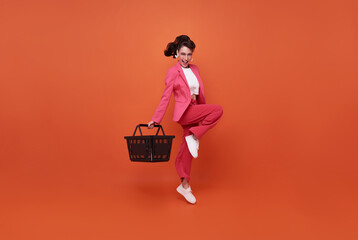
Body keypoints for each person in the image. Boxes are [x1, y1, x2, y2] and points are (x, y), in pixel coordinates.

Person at [147, 35, 223, 204]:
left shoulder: (195, 69)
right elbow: (166, 97)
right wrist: (156, 119)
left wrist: (201, 109)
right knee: (218, 110)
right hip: (185, 111)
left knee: (186, 151)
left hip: (195, 108)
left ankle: (184, 185)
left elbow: (199, 91)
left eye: (189, 54)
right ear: (176, 54)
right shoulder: (173, 72)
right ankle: (195, 135)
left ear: (192, 55)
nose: (186, 58)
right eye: (183, 54)